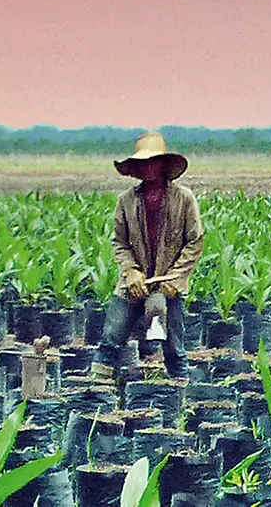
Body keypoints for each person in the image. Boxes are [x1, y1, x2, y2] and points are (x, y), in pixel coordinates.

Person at [93, 132, 204, 379]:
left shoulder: (184, 199)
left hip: (170, 284)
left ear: (163, 165)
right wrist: (131, 271)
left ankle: (179, 391)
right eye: (142, 163)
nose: (148, 168)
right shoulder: (126, 201)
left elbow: (195, 241)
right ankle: (97, 390)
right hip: (133, 283)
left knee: (174, 349)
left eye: (153, 162)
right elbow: (119, 242)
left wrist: (176, 278)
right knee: (110, 339)